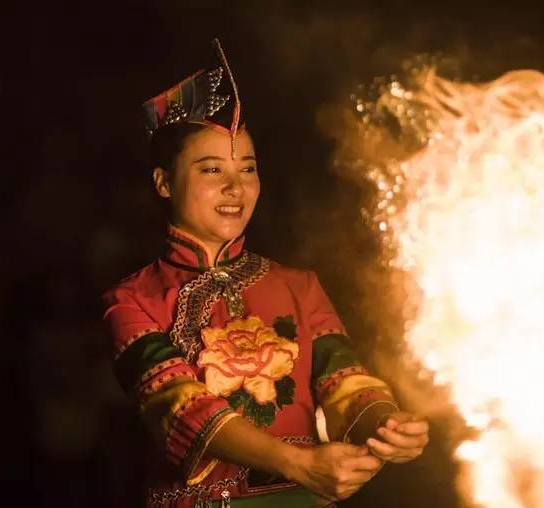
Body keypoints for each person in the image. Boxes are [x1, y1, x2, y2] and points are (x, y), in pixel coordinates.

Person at [102, 39, 429, 507]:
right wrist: (297, 462)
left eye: (248, 168)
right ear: (164, 182)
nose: (235, 186)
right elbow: (180, 407)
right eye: (212, 169)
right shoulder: (132, 299)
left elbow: (345, 384)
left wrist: (386, 424)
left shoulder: (300, 286)